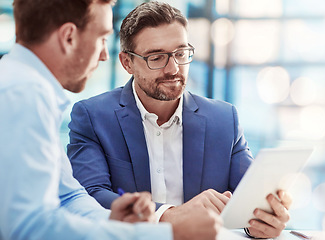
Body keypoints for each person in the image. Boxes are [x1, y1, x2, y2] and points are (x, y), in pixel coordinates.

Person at [67, 1, 291, 238]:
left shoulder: (224, 120)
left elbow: (248, 200)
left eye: (181, 54)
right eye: (156, 57)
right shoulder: (92, 117)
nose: (173, 68)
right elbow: (90, 195)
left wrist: (261, 221)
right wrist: (168, 216)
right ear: (127, 62)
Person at [0, 0, 221, 239]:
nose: (105, 55)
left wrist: (113, 221)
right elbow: (29, 227)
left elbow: (67, 196)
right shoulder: (22, 94)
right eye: (102, 38)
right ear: (68, 37)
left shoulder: (25, 87)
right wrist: (167, 234)